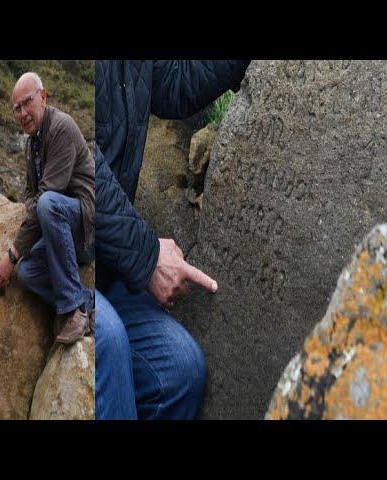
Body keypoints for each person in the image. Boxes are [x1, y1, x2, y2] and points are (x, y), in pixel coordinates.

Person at [94, 60, 250, 419]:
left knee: (181, 371)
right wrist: (146, 257)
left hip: (105, 264)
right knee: (108, 339)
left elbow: (175, 85)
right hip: (65, 255)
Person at [0, 72, 95, 345]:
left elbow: (45, 198)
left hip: (87, 229)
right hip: (59, 229)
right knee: (27, 273)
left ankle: (74, 311)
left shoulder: (61, 128)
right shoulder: (32, 143)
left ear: (43, 97)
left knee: (47, 204)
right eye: (17, 108)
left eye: (27, 103)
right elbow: (30, 195)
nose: (22, 113)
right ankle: (87, 300)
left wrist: (11, 256)